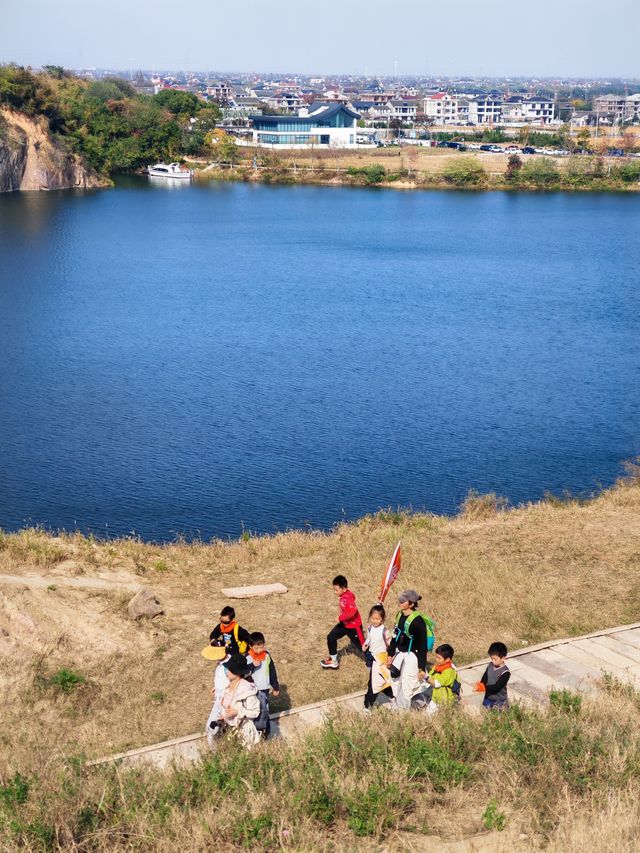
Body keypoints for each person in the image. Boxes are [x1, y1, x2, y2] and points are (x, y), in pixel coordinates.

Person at [387, 589, 435, 709]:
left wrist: (421, 667)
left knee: (410, 683)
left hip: (412, 656)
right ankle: (405, 705)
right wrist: (390, 653)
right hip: (400, 654)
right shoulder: (399, 615)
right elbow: (395, 635)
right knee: (397, 680)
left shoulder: (418, 622)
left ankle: (408, 708)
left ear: (411, 604)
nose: (400, 602)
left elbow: (422, 646)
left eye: (403, 601)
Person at [212, 653, 262, 748]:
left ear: (237, 672)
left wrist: (237, 712)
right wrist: (223, 716)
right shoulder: (227, 688)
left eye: (229, 670)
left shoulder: (247, 689)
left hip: (246, 734)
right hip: (231, 734)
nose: (226, 672)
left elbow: (255, 712)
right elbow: (226, 708)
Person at [321, 575, 364, 669]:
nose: (334, 592)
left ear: (344, 589)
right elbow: (353, 597)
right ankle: (333, 661)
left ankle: (376, 661)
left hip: (354, 627)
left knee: (363, 647)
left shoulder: (346, 599)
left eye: (336, 590)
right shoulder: (346, 595)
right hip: (345, 625)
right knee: (331, 637)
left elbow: (353, 611)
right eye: (334, 589)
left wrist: (341, 618)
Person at [246, 631, 279, 738]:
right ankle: (258, 730)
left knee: (264, 709)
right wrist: (252, 666)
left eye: (262, 647)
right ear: (251, 646)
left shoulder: (267, 655)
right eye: (257, 648)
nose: (260, 650)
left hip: (264, 688)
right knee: (256, 710)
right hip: (252, 690)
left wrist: (275, 686)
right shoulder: (247, 657)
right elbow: (243, 673)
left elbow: (272, 670)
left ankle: (265, 730)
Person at [362, 604, 393, 710]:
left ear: (382, 619)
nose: (375, 621)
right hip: (370, 656)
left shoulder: (385, 632)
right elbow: (369, 639)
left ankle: (367, 706)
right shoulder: (370, 628)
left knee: (376, 682)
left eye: (377, 619)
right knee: (378, 680)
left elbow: (390, 645)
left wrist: (390, 658)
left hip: (380, 659)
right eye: (373, 618)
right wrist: (365, 644)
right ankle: (392, 697)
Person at [424, 644, 459, 713]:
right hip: (436, 697)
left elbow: (436, 684)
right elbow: (430, 676)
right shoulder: (438, 666)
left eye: (439, 658)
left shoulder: (449, 672)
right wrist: (423, 676)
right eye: (436, 657)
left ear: (447, 659)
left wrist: (425, 677)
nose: (436, 660)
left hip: (444, 700)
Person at [475, 642, 510, 710]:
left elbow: (497, 687)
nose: (493, 661)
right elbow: (485, 677)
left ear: (503, 658)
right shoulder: (490, 665)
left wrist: (484, 687)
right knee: (486, 715)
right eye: (491, 659)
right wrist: (480, 685)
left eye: (495, 659)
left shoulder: (505, 673)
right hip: (488, 697)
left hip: (500, 701)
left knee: (500, 718)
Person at [205, 650, 230, 748]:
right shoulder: (221, 665)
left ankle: (215, 752)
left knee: (211, 727)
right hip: (219, 698)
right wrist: (216, 688)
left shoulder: (228, 665)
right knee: (216, 727)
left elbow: (232, 681)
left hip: (224, 700)